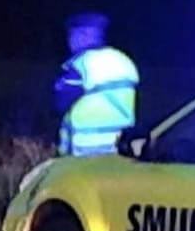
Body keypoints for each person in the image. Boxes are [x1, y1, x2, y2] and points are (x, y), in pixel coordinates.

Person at [54, 12, 139, 156]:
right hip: (121, 147)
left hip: (85, 150)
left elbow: (61, 102)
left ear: (83, 35)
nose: (70, 41)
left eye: (72, 35)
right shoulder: (123, 61)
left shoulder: (82, 64)